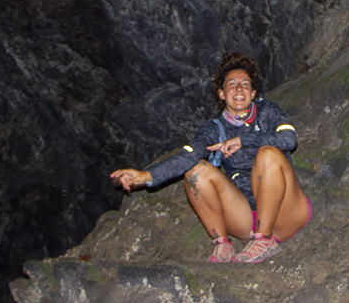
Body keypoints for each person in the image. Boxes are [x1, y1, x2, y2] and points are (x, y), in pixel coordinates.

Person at [109, 52, 312, 263]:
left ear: (252, 93)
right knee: (195, 172)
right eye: (232, 84)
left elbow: (289, 139)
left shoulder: (268, 111)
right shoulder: (215, 128)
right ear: (222, 94)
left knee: (267, 154)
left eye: (245, 84)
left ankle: (264, 241)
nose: (239, 89)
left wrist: (243, 140)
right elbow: (187, 157)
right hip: (245, 219)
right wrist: (146, 176)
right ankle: (222, 245)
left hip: (286, 213)